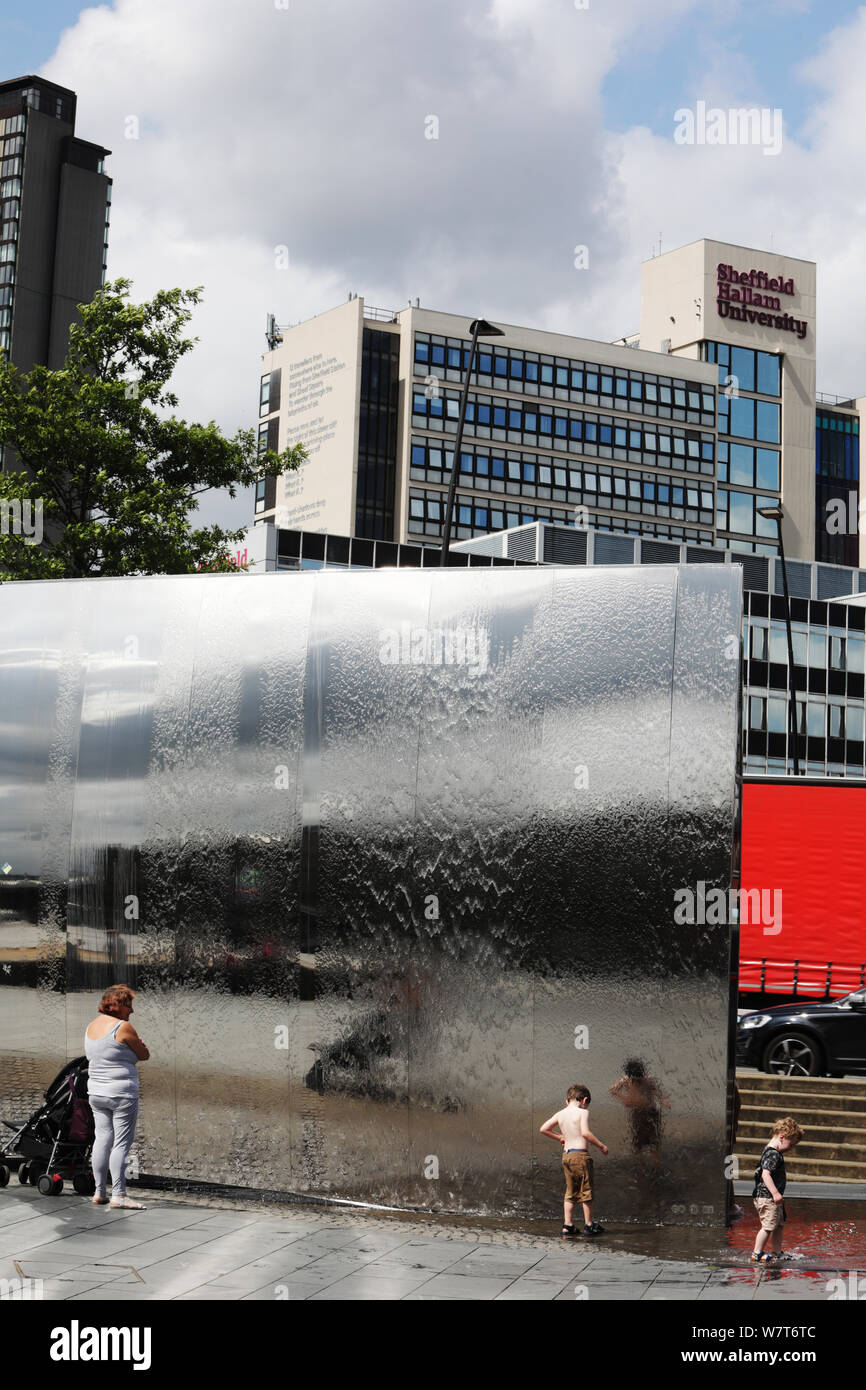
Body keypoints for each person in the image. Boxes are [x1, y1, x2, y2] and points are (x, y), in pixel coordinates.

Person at [84, 984, 149, 1210]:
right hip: (121, 1093)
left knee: (101, 1139)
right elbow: (144, 1054)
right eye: (128, 1005)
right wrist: (136, 1051)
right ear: (117, 1005)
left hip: (96, 1092)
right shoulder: (123, 1027)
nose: (131, 1011)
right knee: (121, 1143)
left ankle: (99, 1192)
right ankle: (119, 1194)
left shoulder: (90, 1026)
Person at [539, 1084, 608, 1238]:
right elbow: (585, 1133)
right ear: (584, 1100)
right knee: (586, 1191)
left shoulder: (560, 1114)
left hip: (567, 1156)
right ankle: (589, 1225)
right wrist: (601, 1146)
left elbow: (543, 1128)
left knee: (570, 1192)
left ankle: (568, 1225)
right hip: (581, 1156)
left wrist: (560, 1137)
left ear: (567, 1101)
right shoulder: (583, 1113)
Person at [751, 1116, 803, 1263]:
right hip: (768, 1196)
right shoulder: (773, 1153)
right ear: (782, 1136)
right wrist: (775, 1193)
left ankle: (776, 1251)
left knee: (778, 1225)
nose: (791, 1148)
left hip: (772, 1197)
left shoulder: (771, 1151)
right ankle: (757, 1253)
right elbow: (765, 1174)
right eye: (791, 1145)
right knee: (768, 1226)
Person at [608, 1057, 668, 1161]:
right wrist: (626, 1099)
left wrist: (663, 1100)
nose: (637, 1080)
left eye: (639, 1077)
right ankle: (641, 1169)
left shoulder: (648, 1080)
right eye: (635, 1078)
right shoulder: (626, 1080)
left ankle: (656, 1165)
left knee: (654, 1142)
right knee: (638, 1143)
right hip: (638, 1114)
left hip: (651, 1112)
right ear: (630, 1075)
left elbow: (657, 1092)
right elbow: (612, 1090)